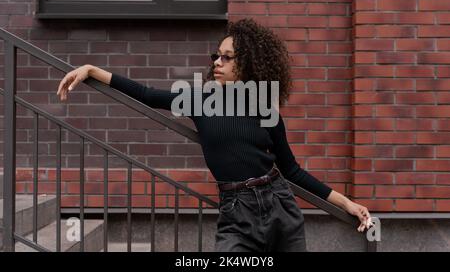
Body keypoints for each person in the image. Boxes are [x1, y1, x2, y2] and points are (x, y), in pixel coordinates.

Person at [56, 18, 373, 252]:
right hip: (236, 211)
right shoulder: (198, 99)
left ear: (247, 64)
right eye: (216, 56)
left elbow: (292, 171)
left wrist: (347, 204)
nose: (217, 63)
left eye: (226, 57)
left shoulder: (266, 111)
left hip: (279, 206)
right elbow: (147, 94)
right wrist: (92, 71)